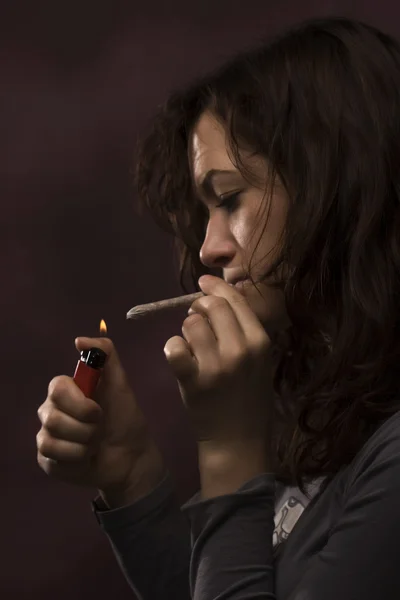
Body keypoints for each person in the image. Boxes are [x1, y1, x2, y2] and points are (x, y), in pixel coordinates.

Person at [36, 16, 400, 600]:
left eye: (228, 199)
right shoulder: (337, 419)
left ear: (337, 185)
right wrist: (132, 475)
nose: (209, 249)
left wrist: (230, 449)